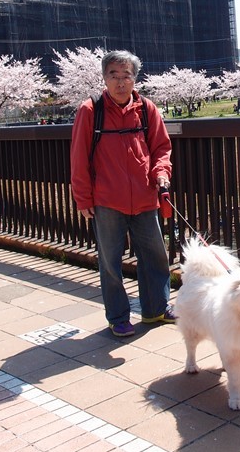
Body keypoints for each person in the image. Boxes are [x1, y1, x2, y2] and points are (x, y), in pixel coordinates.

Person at [70, 50, 175, 337]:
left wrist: (161, 173)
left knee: (155, 255)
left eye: (126, 75)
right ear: (104, 78)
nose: (120, 82)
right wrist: (83, 198)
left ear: (134, 78)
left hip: (144, 197)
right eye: (113, 75)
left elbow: (161, 149)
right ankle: (118, 317)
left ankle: (155, 309)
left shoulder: (146, 109)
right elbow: (79, 157)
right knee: (110, 262)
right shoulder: (91, 111)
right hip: (106, 201)